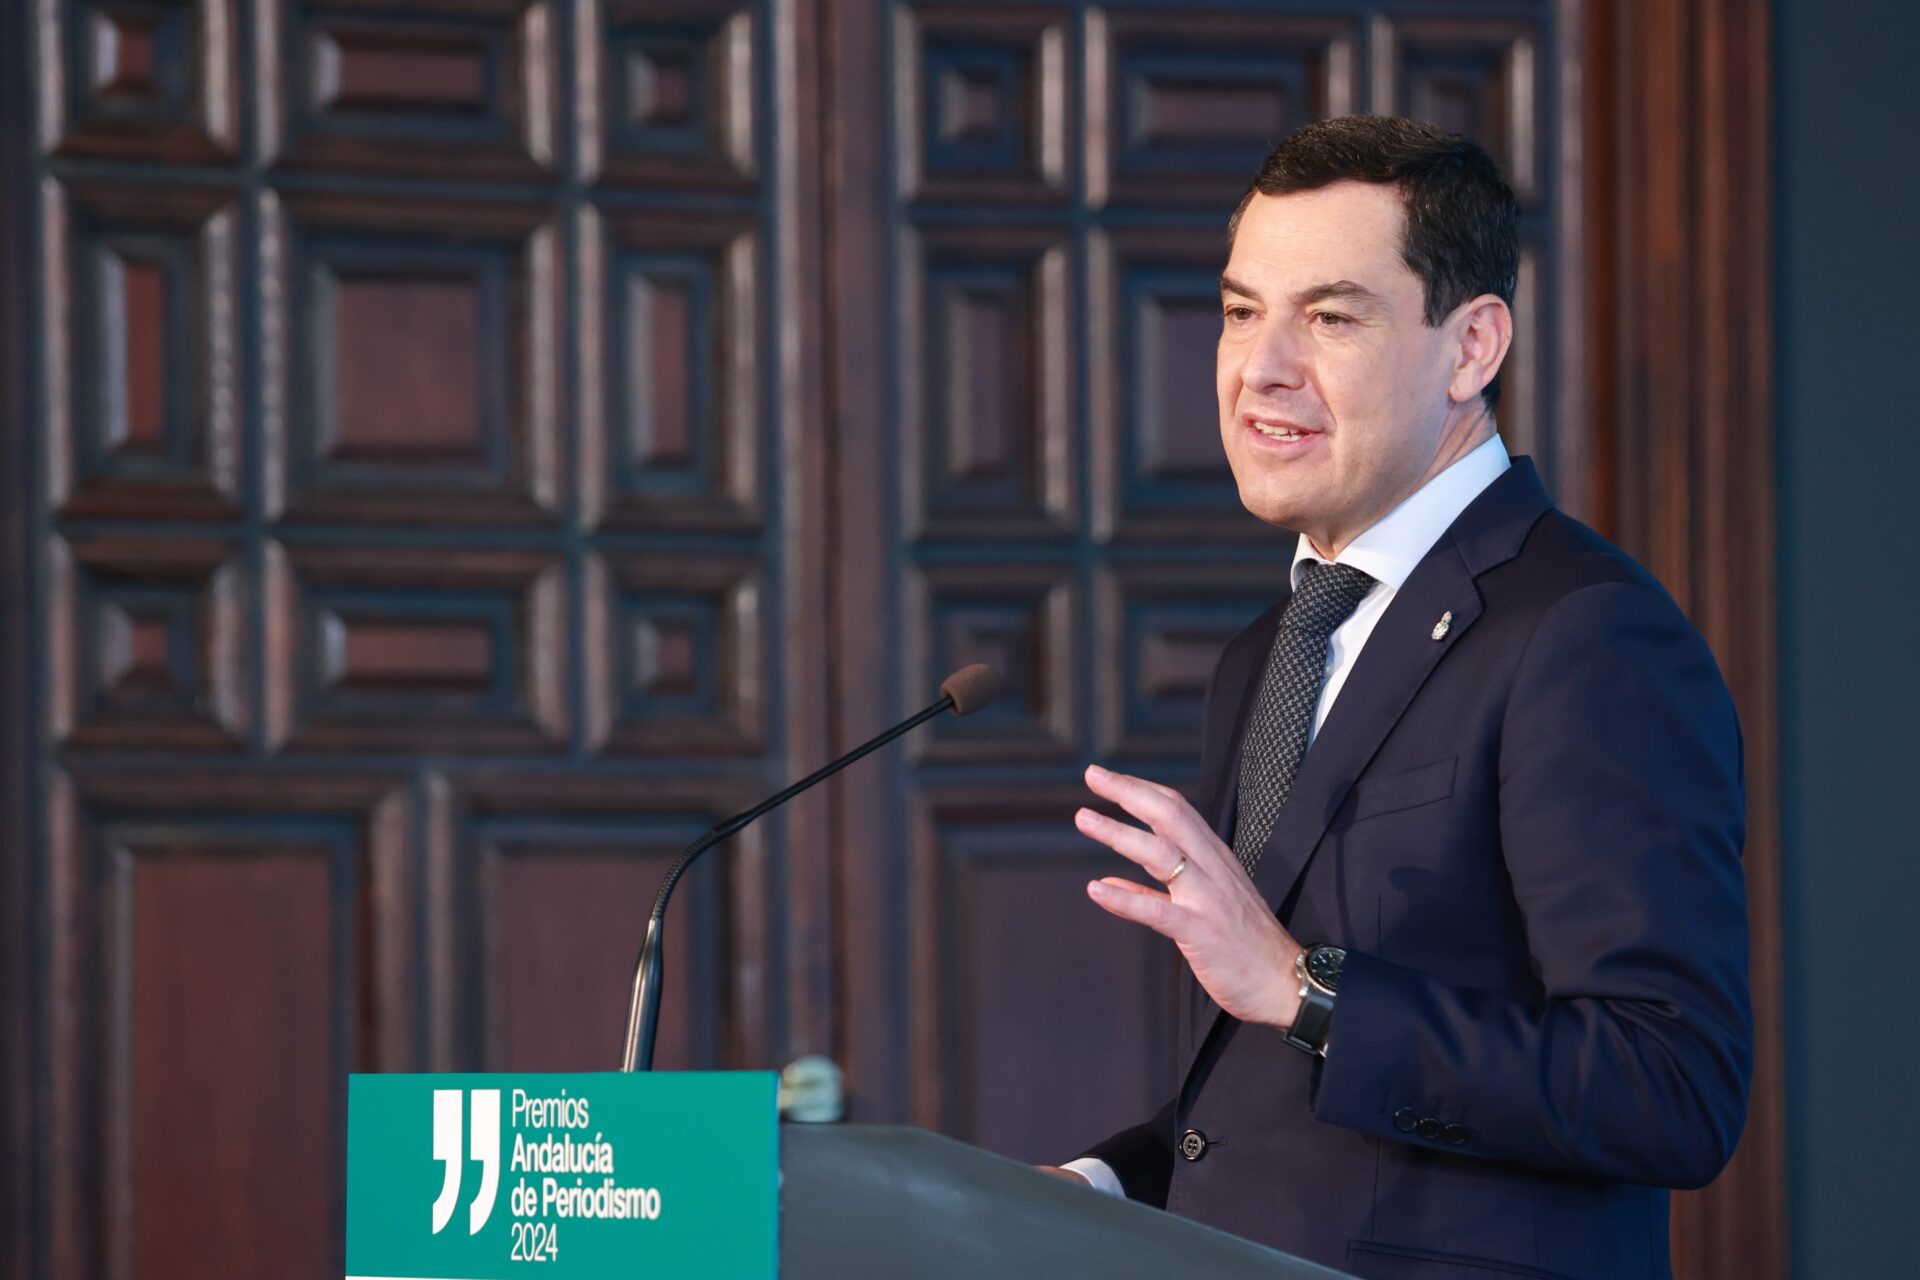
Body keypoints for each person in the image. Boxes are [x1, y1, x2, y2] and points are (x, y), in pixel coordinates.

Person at [1040, 116, 1752, 1280]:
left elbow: (1671, 1085)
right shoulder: (1272, 647)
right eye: (1240, 312)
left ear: (1472, 347)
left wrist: (1304, 987)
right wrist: (1103, 1182)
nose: (1262, 367)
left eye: (1330, 317)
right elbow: (1279, 1102)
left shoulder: (1586, 635)